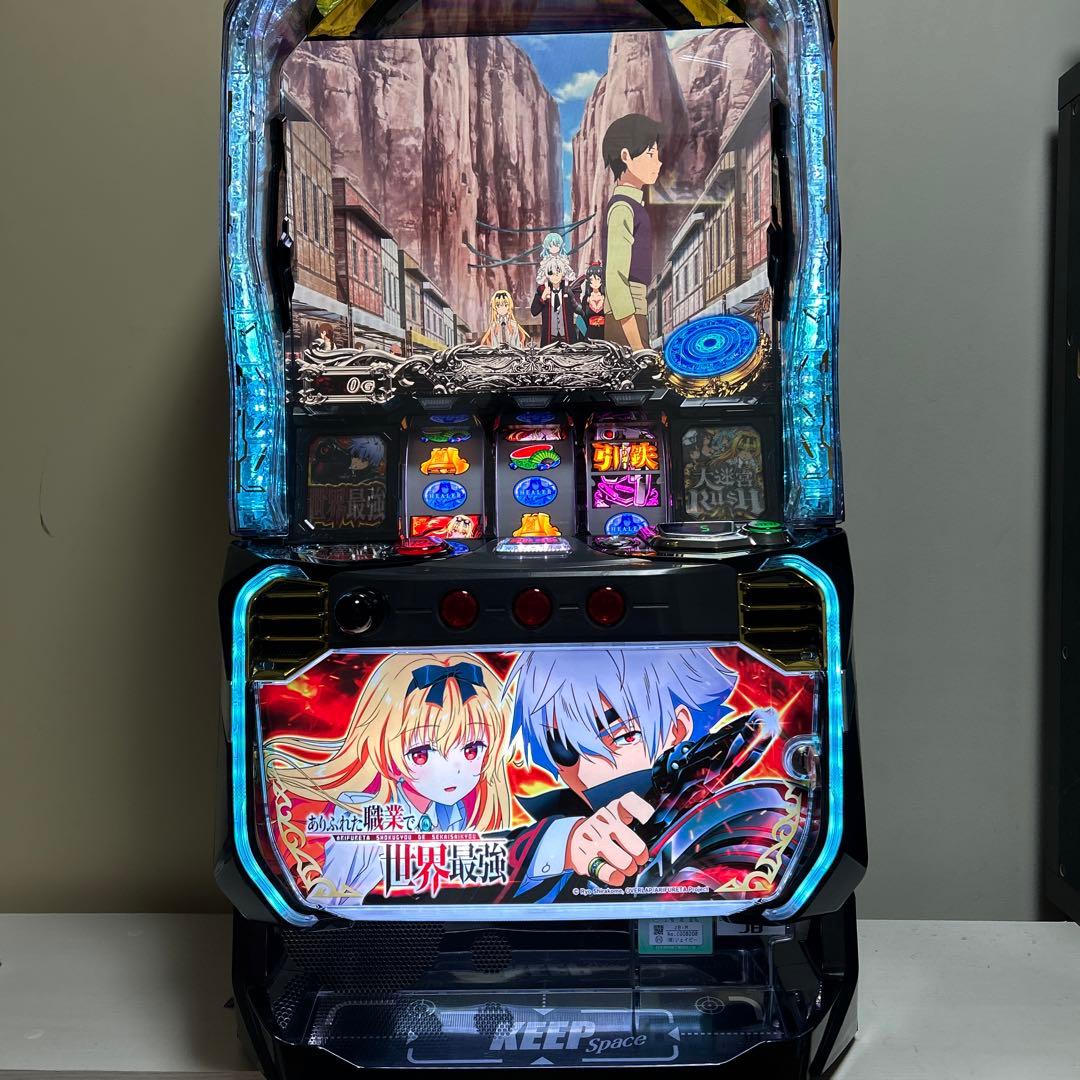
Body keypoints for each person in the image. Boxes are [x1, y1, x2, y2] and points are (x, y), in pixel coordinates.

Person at [264, 652, 512, 907]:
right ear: (383, 747)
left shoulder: (452, 812)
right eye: (421, 754)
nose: (454, 771)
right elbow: (329, 897)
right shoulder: (361, 814)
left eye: (471, 750)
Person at [502, 647, 749, 901]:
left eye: (624, 736)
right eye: (565, 752)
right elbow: (483, 867)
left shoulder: (734, 816)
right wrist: (567, 846)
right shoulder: (554, 831)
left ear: (678, 729)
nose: (587, 775)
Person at [601, 114, 663, 352]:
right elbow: (616, 280)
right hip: (625, 317)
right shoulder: (622, 209)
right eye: (651, 154)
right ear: (626, 156)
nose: (658, 162)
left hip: (632, 312)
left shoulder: (632, 205)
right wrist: (638, 347)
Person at [531, 253, 582, 346]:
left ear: (563, 273)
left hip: (568, 339)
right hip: (549, 340)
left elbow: (579, 310)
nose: (555, 276)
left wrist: (572, 296)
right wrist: (542, 298)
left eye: (558, 272)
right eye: (551, 273)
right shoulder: (542, 290)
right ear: (547, 274)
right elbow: (534, 312)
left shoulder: (570, 289)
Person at [579, 262, 607, 340]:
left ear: (602, 280)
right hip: (590, 332)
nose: (595, 282)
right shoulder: (586, 298)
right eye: (592, 279)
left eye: (597, 279)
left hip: (604, 332)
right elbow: (583, 318)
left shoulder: (605, 297)